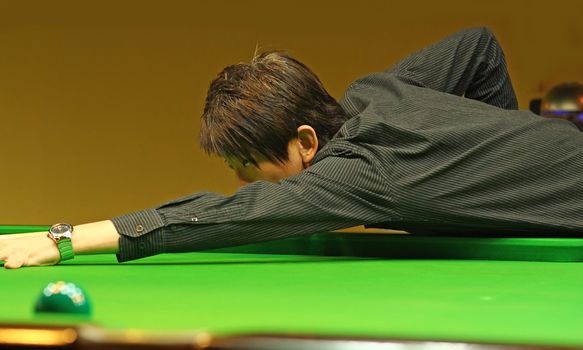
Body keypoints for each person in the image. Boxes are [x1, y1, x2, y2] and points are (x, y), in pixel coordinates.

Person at [3, 27, 583, 269]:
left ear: (306, 141)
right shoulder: (373, 93)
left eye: (250, 169)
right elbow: (478, 45)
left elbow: (224, 216)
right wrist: (504, 161)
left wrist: (64, 240)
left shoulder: (359, 175)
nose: (247, 184)